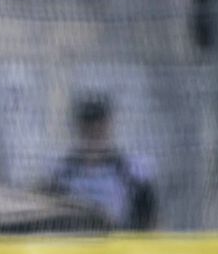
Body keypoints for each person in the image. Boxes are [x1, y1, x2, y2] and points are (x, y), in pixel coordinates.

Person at [44, 94, 157, 230]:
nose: (94, 130)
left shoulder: (132, 171)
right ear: (80, 128)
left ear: (108, 125)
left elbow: (152, 218)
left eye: (100, 124)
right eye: (89, 125)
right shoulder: (62, 173)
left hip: (119, 244)